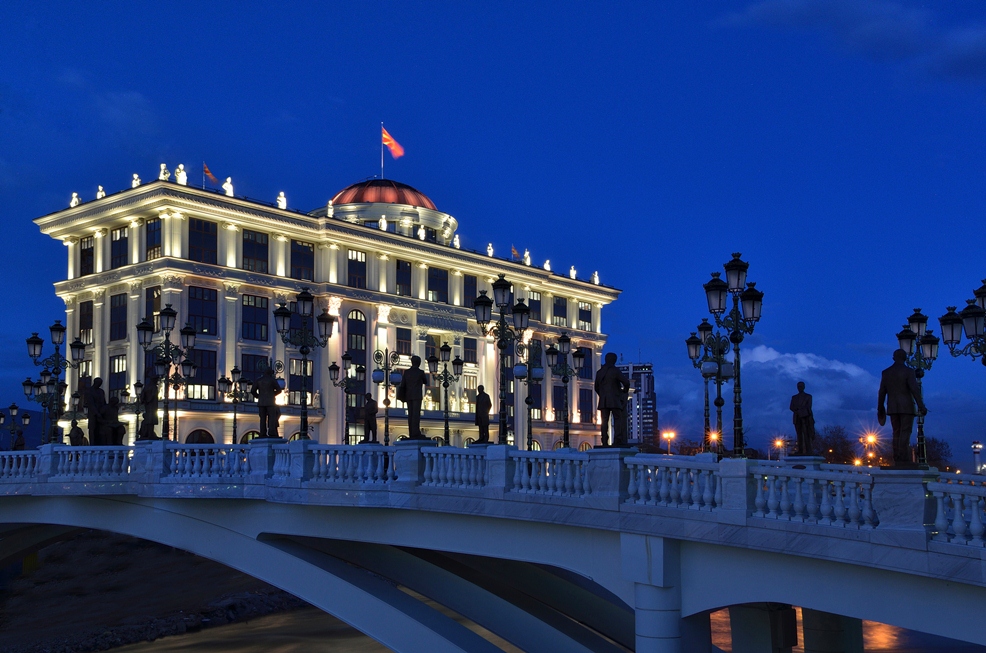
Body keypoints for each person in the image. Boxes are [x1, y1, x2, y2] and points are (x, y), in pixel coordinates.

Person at [878, 349, 928, 465]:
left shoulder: (886, 372)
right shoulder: (908, 371)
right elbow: (914, 390)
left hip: (892, 407)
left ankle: (897, 458)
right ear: (905, 358)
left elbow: (881, 392)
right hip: (907, 407)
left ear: (893, 358)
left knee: (896, 432)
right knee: (905, 431)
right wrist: (921, 406)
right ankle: (904, 459)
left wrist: (880, 407)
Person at [595, 353, 631, 446]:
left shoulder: (599, 372)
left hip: (604, 401)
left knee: (604, 421)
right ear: (614, 360)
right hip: (615, 399)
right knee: (617, 419)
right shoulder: (615, 371)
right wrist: (624, 392)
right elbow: (626, 383)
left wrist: (603, 395)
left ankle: (604, 441)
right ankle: (617, 440)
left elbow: (596, 387)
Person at [397, 356, 428, 439]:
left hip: (408, 396)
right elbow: (426, 381)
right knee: (416, 414)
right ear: (419, 363)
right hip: (417, 396)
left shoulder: (407, 372)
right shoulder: (420, 372)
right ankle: (416, 433)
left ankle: (412, 433)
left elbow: (402, 384)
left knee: (410, 415)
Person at [252, 366, 283, 438]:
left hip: (261, 402)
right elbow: (279, 390)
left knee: (262, 418)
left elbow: (252, 391)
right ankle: (272, 432)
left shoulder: (258, 380)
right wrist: (272, 394)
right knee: (272, 417)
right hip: (271, 402)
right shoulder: (272, 380)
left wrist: (258, 396)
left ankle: (262, 433)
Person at [790, 381, 816, 455]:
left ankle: (809, 450)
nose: (800, 388)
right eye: (798, 386)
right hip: (797, 418)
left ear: (804, 387)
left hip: (805, 418)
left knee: (807, 434)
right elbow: (791, 407)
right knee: (799, 435)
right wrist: (798, 411)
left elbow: (808, 407)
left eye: (801, 386)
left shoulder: (808, 396)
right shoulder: (794, 397)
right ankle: (800, 450)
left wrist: (801, 412)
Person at [137, 371, 160, 440]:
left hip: (147, 406)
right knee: (151, 420)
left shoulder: (146, 387)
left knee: (149, 420)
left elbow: (142, 396)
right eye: (156, 380)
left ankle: (149, 433)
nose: (157, 382)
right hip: (152, 406)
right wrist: (149, 400)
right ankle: (150, 434)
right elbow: (153, 395)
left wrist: (145, 401)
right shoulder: (154, 387)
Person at [86, 377, 107, 446]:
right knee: (92, 428)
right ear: (95, 383)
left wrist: (104, 411)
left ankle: (100, 443)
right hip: (93, 413)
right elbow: (90, 403)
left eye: (100, 384)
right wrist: (97, 413)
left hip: (101, 413)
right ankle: (92, 444)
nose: (99, 385)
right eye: (98, 383)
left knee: (101, 429)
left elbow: (103, 402)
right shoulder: (89, 391)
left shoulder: (101, 391)